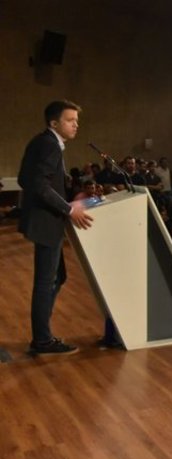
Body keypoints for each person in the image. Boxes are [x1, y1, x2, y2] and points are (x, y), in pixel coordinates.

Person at [17, 100, 94, 356]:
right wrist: (70, 209)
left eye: (76, 120)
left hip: (45, 220)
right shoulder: (50, 145)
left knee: (57, 277)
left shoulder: (42, 142)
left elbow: (24, 179)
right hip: (47, 222)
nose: (76, 125)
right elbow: (38, 185)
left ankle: (42, 334)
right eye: (70, 120)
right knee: (45, 282)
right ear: (54, 123)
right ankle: (42, 340)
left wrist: (65, 201)